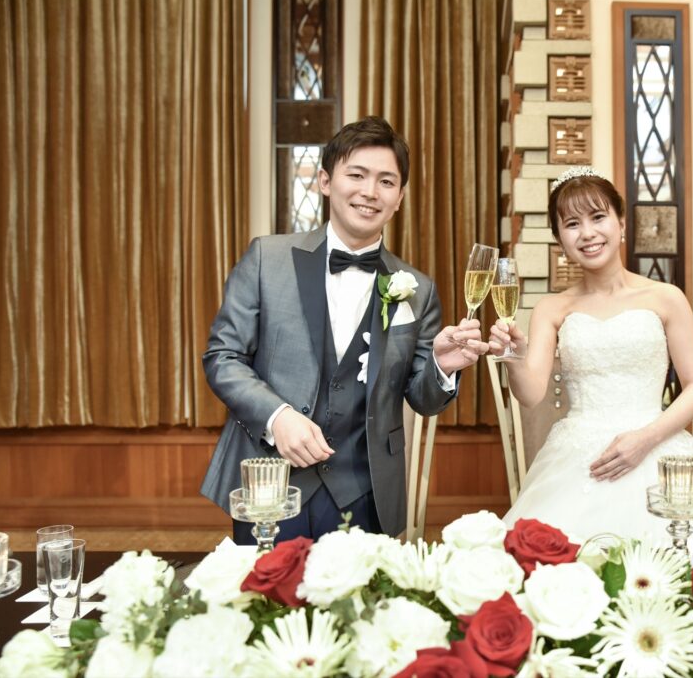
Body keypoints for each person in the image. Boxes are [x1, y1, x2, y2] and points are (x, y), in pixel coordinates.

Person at [201, 116, 488, 544]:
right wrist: (277, 418)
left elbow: (423, 399)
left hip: (365, 490)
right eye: (356, 175)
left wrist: (442, 367)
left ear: (400, 197)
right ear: (325, 181)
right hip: (271, 482)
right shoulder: (267, 259)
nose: (370, 191)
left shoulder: (419, 289)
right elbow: (223, 357)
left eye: (386, 182)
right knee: (267, 588)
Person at [489, 167, 693, 545]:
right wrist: (513, 357)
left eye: (598, 217)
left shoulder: (666, 297)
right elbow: (530, 394)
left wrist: (644, 439)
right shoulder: (551, 309)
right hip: (578, 458)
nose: (587, 233)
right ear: (559, 240)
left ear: (621, 223)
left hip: (658, 446)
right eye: (572, 224)